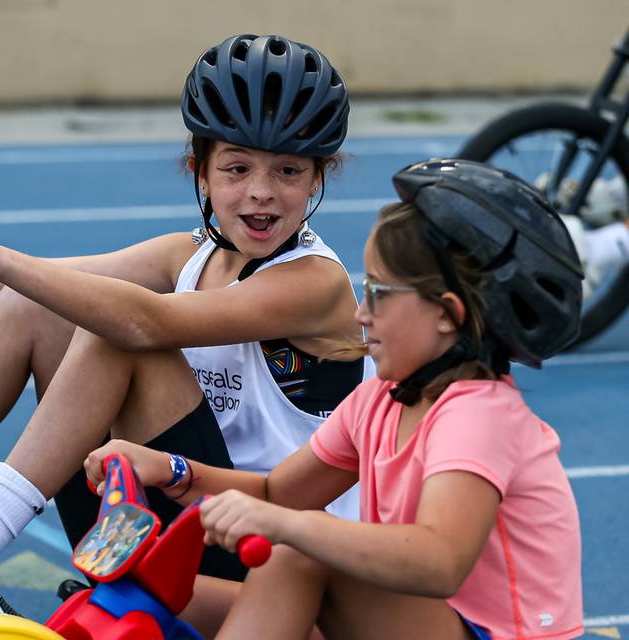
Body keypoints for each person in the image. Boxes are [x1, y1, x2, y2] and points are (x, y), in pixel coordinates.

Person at [0, 34, 366, 620]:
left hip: (269, 553)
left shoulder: (315, 283)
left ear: (318, 179)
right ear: (201, 171)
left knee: (116, 328)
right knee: (39, 305)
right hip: (182, 509)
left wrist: (4, 259)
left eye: (288, 171)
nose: (261, 192)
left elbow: (144, 322)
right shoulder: (184, 256)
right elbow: (12, 288)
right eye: (237, 169)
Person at [83, 159, 585, 639]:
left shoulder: (478, 415)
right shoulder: (379, 400)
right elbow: (277, 494)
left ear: (446, 314)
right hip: (405, 618)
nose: (361, 314)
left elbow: (439, 560)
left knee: (302, 551)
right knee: (162, 594)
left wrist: (288, 526)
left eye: (379, 295)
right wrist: (168, 469)